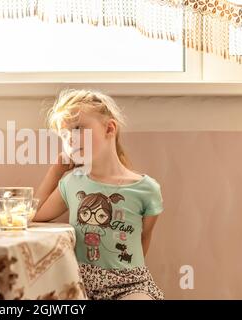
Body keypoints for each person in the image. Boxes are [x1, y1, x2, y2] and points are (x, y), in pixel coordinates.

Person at [34, 89, 164, 300]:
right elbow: (35, 213)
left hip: (130, 285)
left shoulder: (146, 189)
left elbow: (143, 238)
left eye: (78, 129)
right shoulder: (72, 183)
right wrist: (55, 171)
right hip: (81, 285)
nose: (71, 140)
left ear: (109, 128)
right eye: (65, 136)